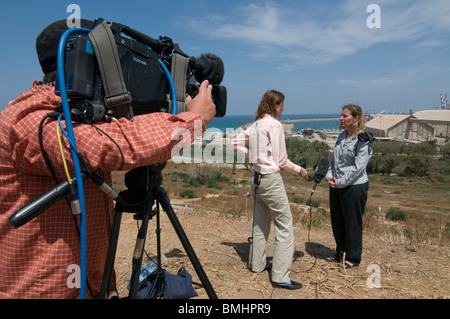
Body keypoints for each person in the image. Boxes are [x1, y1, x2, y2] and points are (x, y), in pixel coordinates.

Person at [0, 19, 216, 299]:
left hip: (88, 282)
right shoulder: (28, 118)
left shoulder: (79, 115)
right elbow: (108, 146)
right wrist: (195, 120)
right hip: (40, 288)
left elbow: (91, 175)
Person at [232, 90, 308, 290]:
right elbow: (281, 160)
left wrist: (254, 156)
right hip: (269, 179)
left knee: (260, 223)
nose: (283, 108)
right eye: (282, 105)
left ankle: (257, 265)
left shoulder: (256, 124)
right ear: (274, 105)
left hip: (256, 179)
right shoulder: (274, 125)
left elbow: (235, 142)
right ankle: (280, 276)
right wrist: (300, 170)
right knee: (284, 225)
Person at [325, 104, 373, 269]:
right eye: (341, 115)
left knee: (352, 222)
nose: (341, 118)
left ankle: (353, 257)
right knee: (338, 221)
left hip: (353, 187)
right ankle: (340, 253)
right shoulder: (341, 136)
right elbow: (334, 160)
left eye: (345, 116)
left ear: (356, 118)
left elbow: (358, 168)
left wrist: (339, 182)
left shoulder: (362, 139)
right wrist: (329, 176)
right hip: (337, 185)